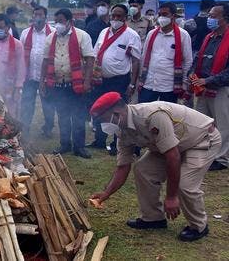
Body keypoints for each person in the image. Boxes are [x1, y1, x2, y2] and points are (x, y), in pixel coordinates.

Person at [90, 92, 220, 242]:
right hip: (170, 145)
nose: (102, 125)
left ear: (117, 113)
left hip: (200, 140)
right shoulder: (122, 129)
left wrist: (171, 197)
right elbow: (123, 166)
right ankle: (153, 218)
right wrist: (106, 194)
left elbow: (173, 156)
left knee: (185, 185)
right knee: (142, 169)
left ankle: (199, 226)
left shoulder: (152, 116)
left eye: (102, 119)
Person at [40, 8, 94, 159]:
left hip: (76, 84)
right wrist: (42, 82)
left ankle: (79, 147)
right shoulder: (51, 38)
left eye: (61, 21)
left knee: (78, 116)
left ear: (70, 22)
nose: (58, 25)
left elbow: (90, 59)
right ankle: (65, 144)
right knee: (62, 115)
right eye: (56, 21)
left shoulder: (82, 36)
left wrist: (88, 81)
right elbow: (45, 62)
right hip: (58, 84)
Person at [89, 4, 141, 155]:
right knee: (100, 109)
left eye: (119, 16)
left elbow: (136, 61)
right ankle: (99, 140)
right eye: (114, 16)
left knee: (118, 112)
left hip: (119, 80)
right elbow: (95, 53)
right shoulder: (103, 32)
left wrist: (132, 84)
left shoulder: (131, 35)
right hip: (101, 80)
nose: (116, 19)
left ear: (125, 18)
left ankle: (116, 144)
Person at [188, 3, 229, 171]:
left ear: (225, 18)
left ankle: (222, 159)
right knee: (203, 123)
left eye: (213, 16)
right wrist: (192, 74)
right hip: (202, 86)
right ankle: (205, 154)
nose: (209, 19)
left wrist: (209, 80)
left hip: (221, 88)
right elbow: (199, 58)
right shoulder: (209, 37)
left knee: (222, 124)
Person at [138, 2, 192, 104]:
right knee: (144, 114)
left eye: (165, 14)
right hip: (149, 83)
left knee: (167, 115)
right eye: (160, 14)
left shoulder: (183, 35)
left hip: (169, 86)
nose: (161, 17)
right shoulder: (152, 34)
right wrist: (141, 79)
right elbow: (144, 56)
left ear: (174, 16)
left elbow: (187, 61)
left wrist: (184, 84)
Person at [19, 5, 55, 140]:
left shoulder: (52, 33)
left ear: (46, 17)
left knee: (48, 105)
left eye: (40, 15)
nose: (37, 17)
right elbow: (21, 53)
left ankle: (48, 127)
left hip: (46, 76)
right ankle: (25, 127)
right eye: (35, 14)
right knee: (27, 102)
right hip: (29, 75)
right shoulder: (25, 33)